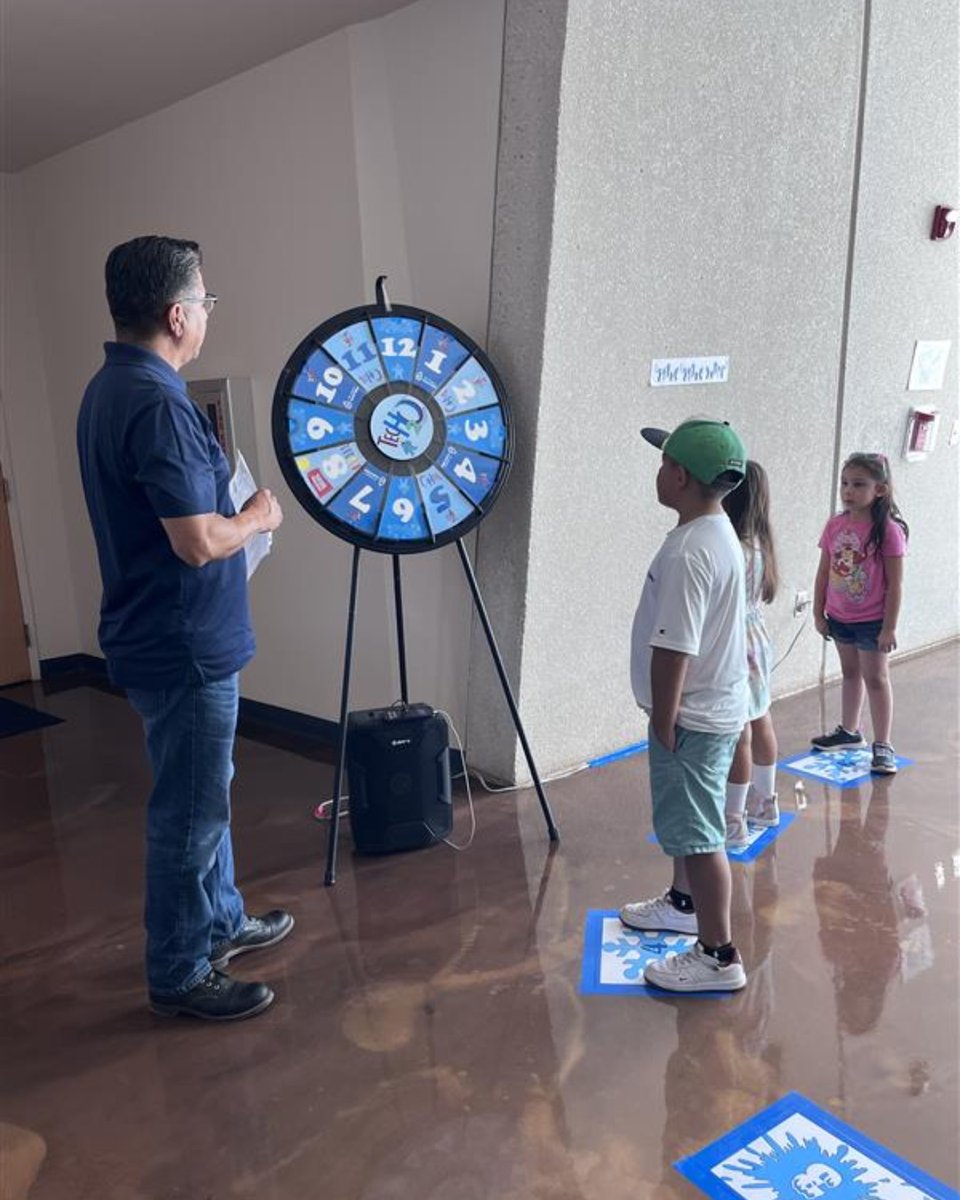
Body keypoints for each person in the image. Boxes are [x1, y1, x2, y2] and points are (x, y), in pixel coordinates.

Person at [77, 235, 292, 1021]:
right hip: (184, 647)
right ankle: (177, 969)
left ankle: (222, 920)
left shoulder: (111, 387)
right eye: (205, 300)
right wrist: (257, 516)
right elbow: (197, 540)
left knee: (207, 788)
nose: (207, 312)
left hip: (160, 635)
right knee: (190, 812)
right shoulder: (158, 403)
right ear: (177, 314)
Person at [620, 416, 749, 992]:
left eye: (663, 461)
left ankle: (718, 955)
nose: (657, 470)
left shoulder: (689, 553)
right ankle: (682, 904)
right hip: (712, 709)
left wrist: (665, 722)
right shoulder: (717, 534)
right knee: (689, 827)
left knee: (700, 837)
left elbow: (673, 649)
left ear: (679, 476)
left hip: (691, 717)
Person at [811, 452, 908, 775]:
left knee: (876, 678)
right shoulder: (834, 525)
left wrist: (889, 627)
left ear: (879, 490)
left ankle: (883, 743)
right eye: (844, 483)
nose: (848, 491)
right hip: (839, 616)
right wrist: (818, 612)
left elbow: (895, 585)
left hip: (872, 621)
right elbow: (824, 572)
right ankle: (850, 732)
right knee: (850, 673)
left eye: (858, 484)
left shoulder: (888, 531)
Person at [721, 460, 780, 846]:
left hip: (735, 648)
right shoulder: (762, 545)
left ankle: (733, 820)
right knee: (761, 720)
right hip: (757, 642)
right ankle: (765, 801)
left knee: (738, 734)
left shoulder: (731, 547)